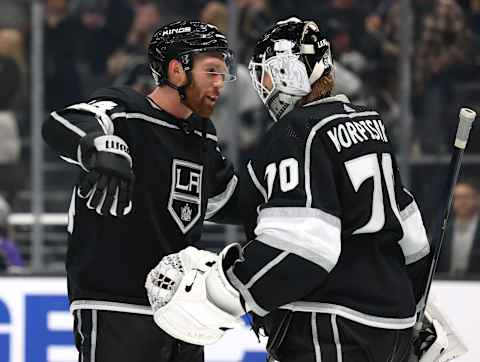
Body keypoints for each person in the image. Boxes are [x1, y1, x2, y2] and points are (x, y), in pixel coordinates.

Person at [146, 18, 435, 362]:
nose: (264, 88)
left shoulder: (298, 131)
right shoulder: (369, 124)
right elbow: (414, 242)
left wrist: (231, 289)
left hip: (329, 322)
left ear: (290, 72)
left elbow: (304, 247)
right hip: (392, 324)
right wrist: (416, 315)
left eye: (266, 75)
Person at [42, 20, 240, 362]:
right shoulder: (125, 111)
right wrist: (98, 145)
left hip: (183, 312)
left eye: (223, 72)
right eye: (211, 71)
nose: (219, 83)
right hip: (114, 303)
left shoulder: (203, 137)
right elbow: (61, 123)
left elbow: (232, 200)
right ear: (177, 71)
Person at [438, 179, 480, 277]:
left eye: (466, 197)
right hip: (446, 284)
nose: (462, 202)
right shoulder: (443, 230)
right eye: (457, 198)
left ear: (477, 199)